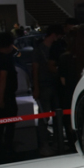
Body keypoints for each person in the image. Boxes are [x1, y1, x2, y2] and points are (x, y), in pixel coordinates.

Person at [57, 27, 84, 148]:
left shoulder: (64, 57)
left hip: (70, 94)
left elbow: (63, 81)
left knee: (71, 121)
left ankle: (74, 144)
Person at [33, 24, 64, 156]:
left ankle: (57, 143)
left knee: (57, 117)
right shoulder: (39, 49)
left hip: (55, 85)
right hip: (44, 85)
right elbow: (35, 69)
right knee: (44, 117)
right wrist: (36, 87)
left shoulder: (54, 47)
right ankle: (44, 145)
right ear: (54, 35)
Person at [0, 32, 19, 157]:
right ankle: (7, 145)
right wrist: (1, 98)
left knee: (0, 121)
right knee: (9, 121)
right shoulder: (5, 59)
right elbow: (3, 78)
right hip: (6, 95)